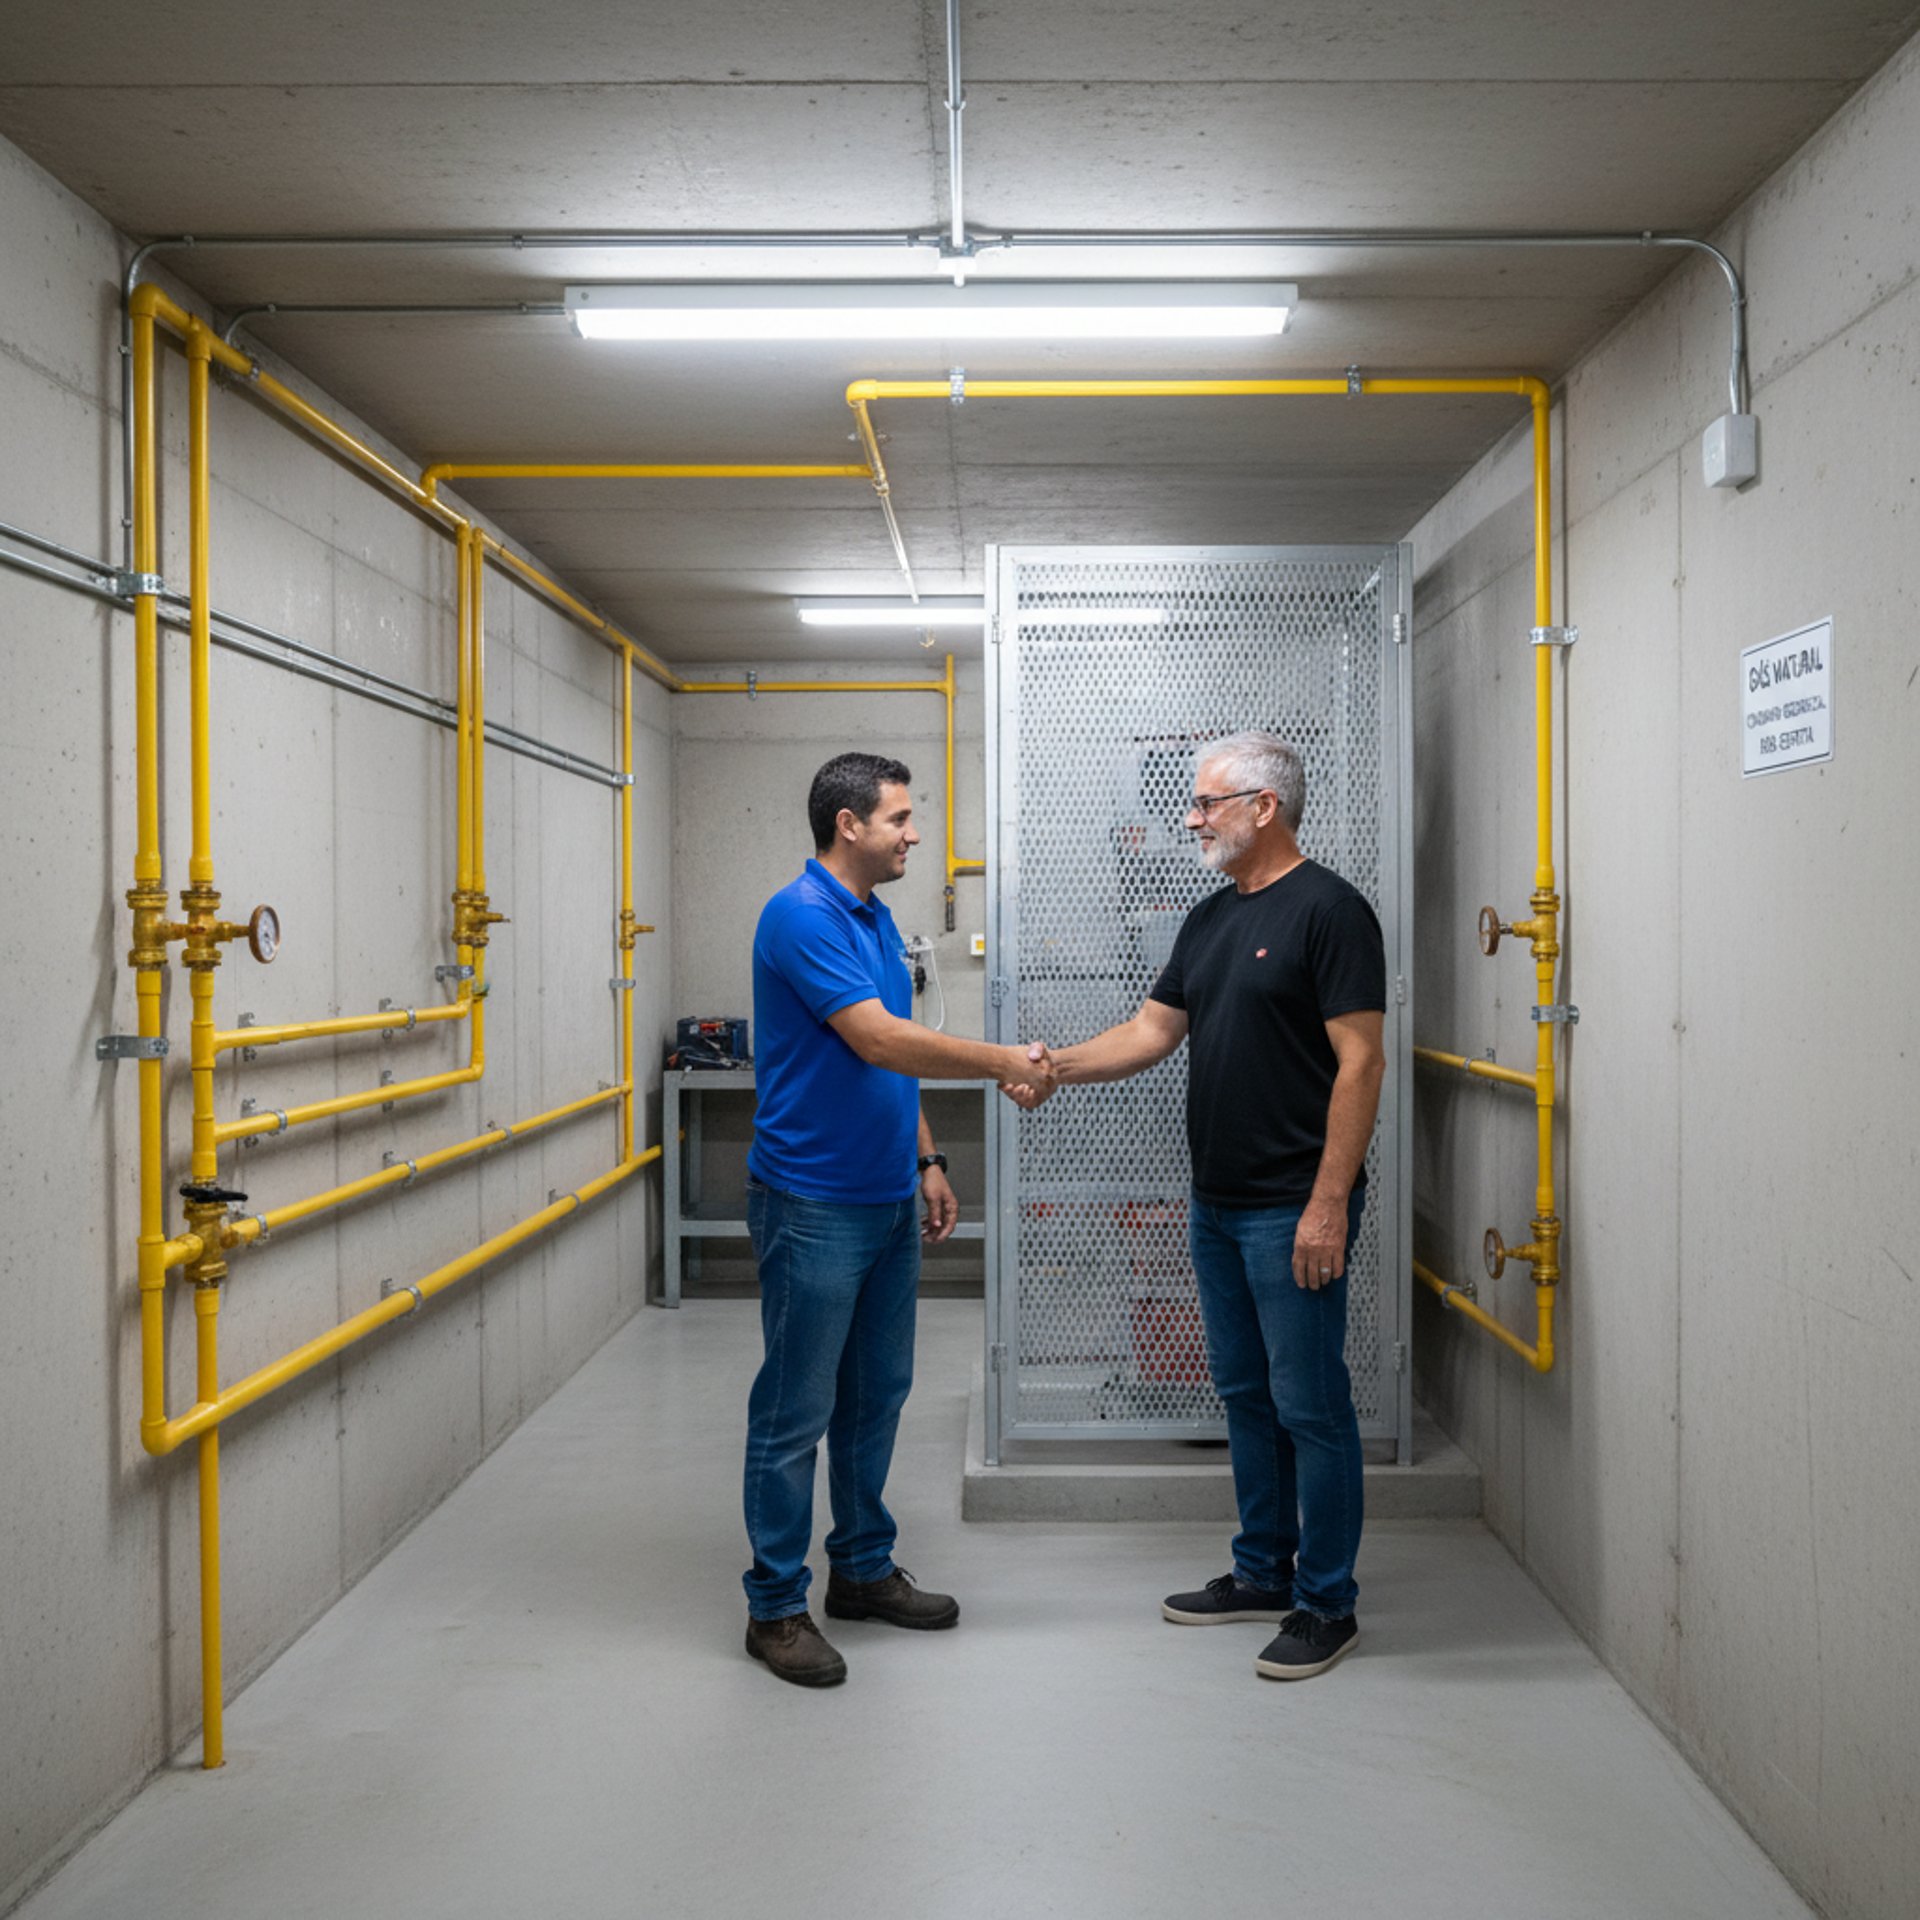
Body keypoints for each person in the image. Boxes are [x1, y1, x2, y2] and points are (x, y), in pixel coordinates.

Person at [1006, 731, 1386, 1680]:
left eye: (1208, 803)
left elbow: (1362, 1061)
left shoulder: (1332, 912)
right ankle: (1262, 1571)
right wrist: (1055, 1070)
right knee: (1247, 1397)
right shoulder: (1211, 918)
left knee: (1312, 1404)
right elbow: (1149, 1031)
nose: (1191, 818)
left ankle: (1326, 1602)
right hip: (1216, 1203)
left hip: (1293, 1206)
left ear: (1265, 806)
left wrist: (1328, 1202)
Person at [742, 751, 1054, 1687]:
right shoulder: (800, 916)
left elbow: (889, 1062)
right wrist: (1004, 1058)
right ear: (850, 825)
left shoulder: (876, 919)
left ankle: (863, 1571)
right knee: (795, 1412)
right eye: (902, 819)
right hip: (811, 1203)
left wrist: (925, 1158)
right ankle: (775, 1607)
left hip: (882, 1197)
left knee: (878, 1394)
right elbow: (875, 1035)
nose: (916, 834)